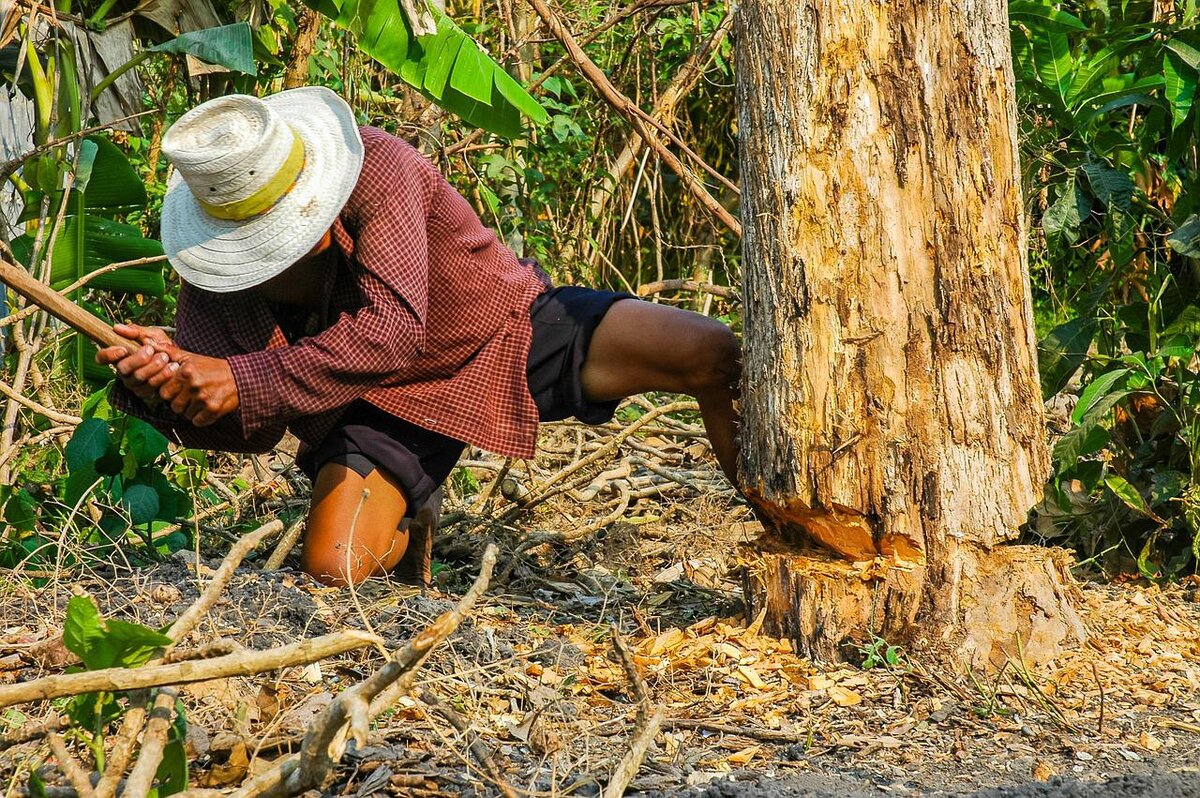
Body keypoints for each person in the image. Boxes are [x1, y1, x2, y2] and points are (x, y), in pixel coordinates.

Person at [98, 86, 741, 587]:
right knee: (333, 568)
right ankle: (409, 515)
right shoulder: (214, 267)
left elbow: (392, 330)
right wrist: (170, 388)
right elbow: (256, 429)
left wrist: (238, 378)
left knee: (717, 357)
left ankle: (793, 528)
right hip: (374, 402)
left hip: (499, 331)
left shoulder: (381, 168)